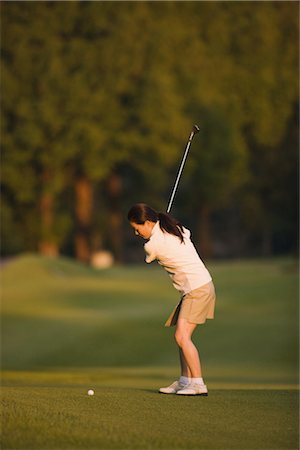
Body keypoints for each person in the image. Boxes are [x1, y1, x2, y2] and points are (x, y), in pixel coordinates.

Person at [127, 203, 216, 396]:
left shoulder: (153, 245)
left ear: (148, 222)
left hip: (197, 289)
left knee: (181, 336)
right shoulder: (177, 229)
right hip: (197, 287)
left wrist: (158, 231)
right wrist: (161, 227)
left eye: (137, 228)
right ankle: (185, 381)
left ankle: (198, 384)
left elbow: (150, 256)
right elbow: (187, 232)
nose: (136, 233)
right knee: (182, 336)